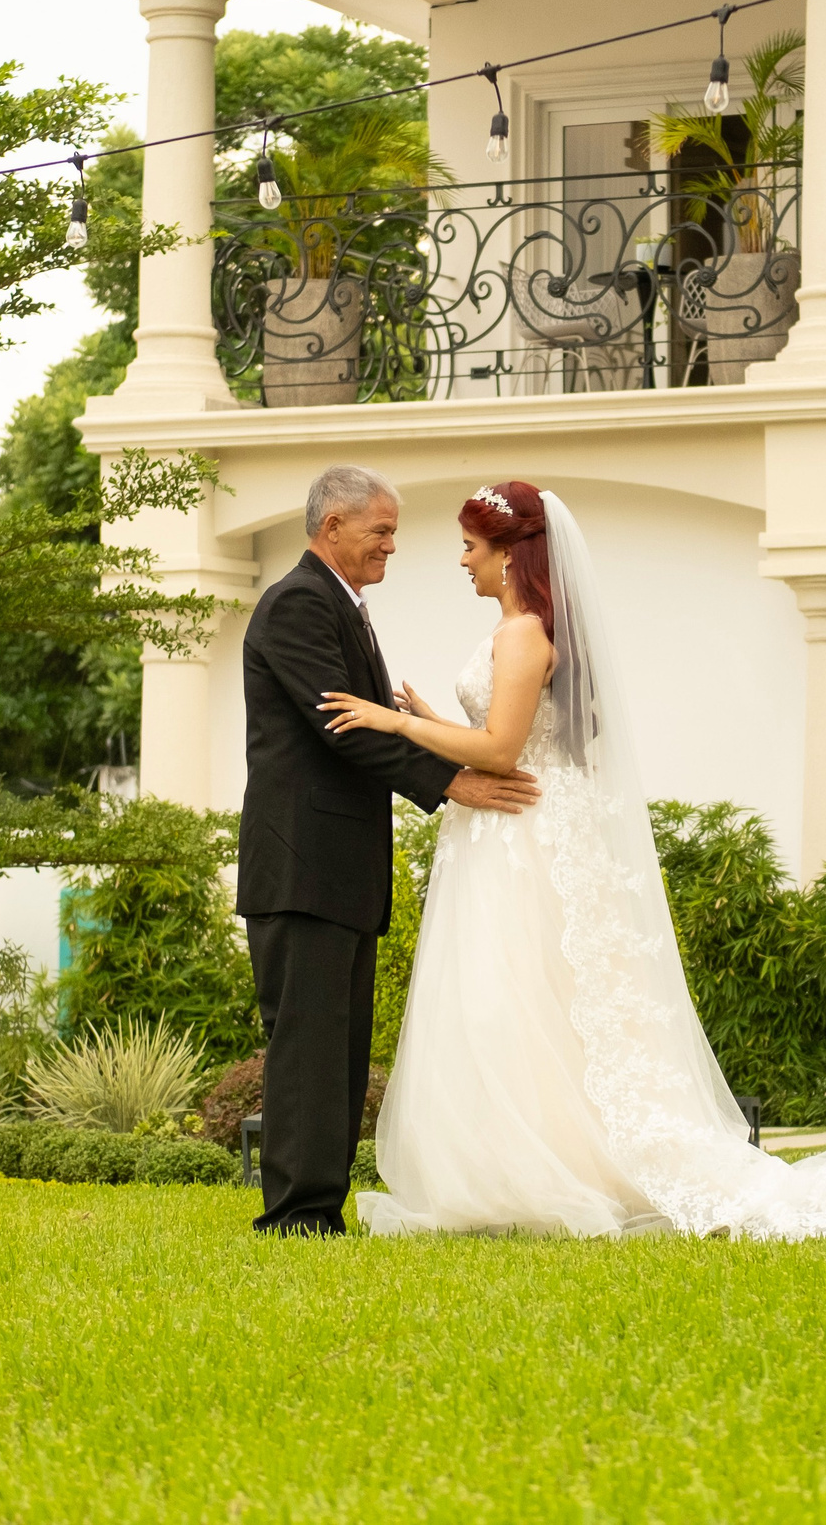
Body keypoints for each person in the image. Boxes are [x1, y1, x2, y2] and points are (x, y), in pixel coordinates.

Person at [318, 481, 826, 1240]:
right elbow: (513, 735)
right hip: (503, 830)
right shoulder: (519, 629)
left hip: (523, 841)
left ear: (510, 555)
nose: (463, 561)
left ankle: (555, 1171)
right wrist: (434, 719)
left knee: (520, 998)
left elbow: (502, 750)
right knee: (515, 1001)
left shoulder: (524, 634)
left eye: (471, 548)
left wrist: (394, 725)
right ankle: (517, 1170)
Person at [238, 464, 541, 1236]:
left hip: (340, 872)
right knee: (308, 1048)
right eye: (381, 531)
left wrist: (434, 740)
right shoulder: (298, 604)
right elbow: (344, 727)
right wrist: (452, 783)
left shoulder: (342, 603)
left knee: (338, 1051)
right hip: (301, 866)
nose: (392, 546)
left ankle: (319, 1208)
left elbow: (372, 723)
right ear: (332, 526)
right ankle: (297, 1215)